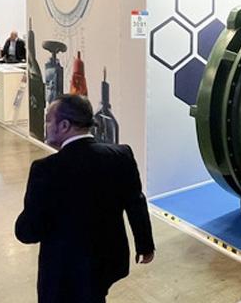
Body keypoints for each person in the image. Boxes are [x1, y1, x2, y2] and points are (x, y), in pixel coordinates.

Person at [15, 94, 155, 302]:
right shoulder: (121, 155)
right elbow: (136, 203)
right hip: (107, 263)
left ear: (64, 125)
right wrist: (145, 245)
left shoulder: (45, 169)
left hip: (63, 272)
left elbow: (28, 232)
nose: (46, 126)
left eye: (48, 120)